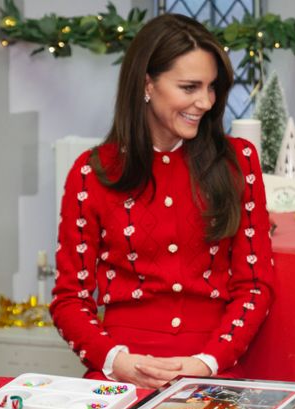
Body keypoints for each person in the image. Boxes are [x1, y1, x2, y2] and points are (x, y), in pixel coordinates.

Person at [51, 14, 274, 388]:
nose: (205, 102)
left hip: (212, 367)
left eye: (212, 87)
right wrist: (117, 361)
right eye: (189, 87)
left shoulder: (238, 161)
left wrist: (206, 362)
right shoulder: (93, 172)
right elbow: (69, 299)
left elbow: (255, 287)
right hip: (121, 372)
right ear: (147, 84)